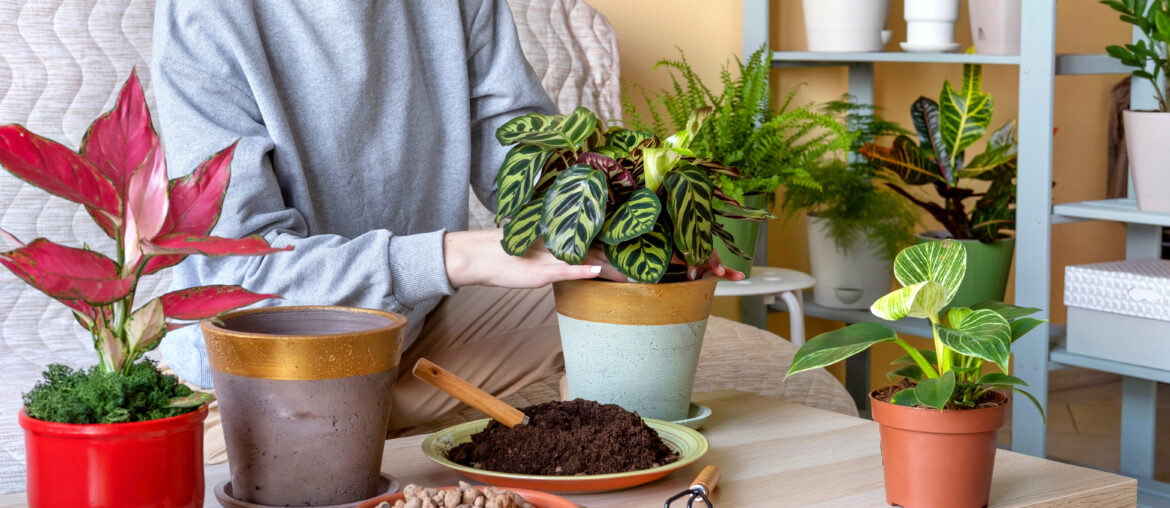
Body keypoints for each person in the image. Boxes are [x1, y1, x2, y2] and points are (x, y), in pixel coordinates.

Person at [151, 0, 741, 463]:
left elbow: (524, 153)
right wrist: (451, 257)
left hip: (418, 337)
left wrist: (646, 241)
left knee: (630, 314)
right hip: (263, 377)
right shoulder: (206, 14)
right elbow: (240, 279)